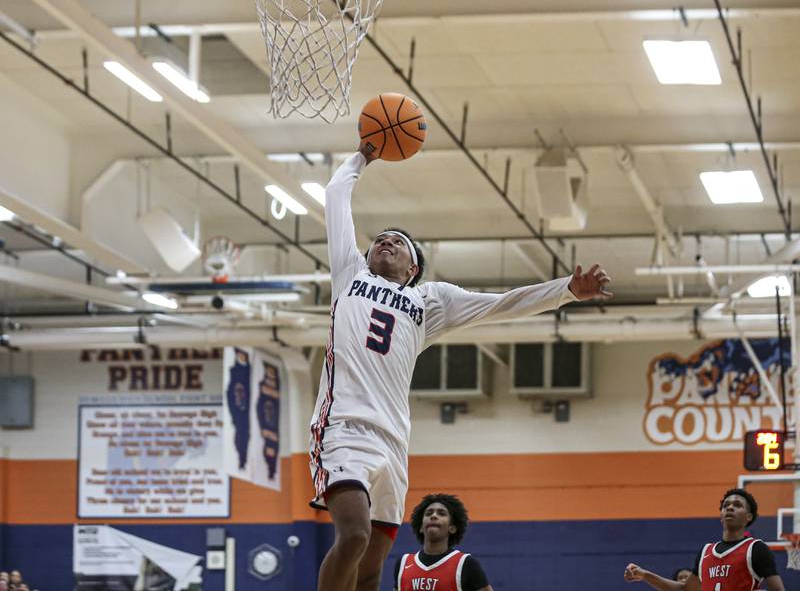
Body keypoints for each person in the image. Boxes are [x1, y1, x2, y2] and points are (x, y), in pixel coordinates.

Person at [310, 143, 613, 591]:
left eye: (398, 242)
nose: (385, 242)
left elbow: (502, 304)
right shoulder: (349, 274)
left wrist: (567, 289)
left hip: (394, 441)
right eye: (380, 239)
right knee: (352, 536)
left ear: (413, 267)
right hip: (343, 428)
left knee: (372, 566)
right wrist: (362, 157)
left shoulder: (430, 301)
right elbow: (336, 194)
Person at [623, 488, 785, 591]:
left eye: (737, 505)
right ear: (721, 516)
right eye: (726, 505)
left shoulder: (755, 548)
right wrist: (645, 575)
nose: (730, 507)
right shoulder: (706, 552)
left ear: (748, 517)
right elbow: (686, 590)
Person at [393, 493, 492, 591]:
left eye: (441, 513)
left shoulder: (465, 563)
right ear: (421, 527)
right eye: (428, 513)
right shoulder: (403, 563)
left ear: (452, 528)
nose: (433, 516)